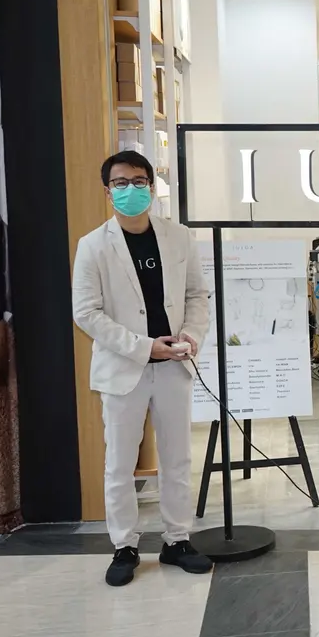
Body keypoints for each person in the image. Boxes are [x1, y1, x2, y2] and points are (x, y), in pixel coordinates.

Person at [72, 151, 213, 586]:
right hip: (123, 368)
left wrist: (190, 337)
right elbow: (86, 312)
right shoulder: (93, 245)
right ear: (107, 190)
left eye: (138, 180)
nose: (130, 189)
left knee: (177, 457)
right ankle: (124, 546)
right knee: (119, 462)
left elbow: (196, 296)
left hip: (174, 364)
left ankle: (177, 539)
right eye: (120, 182)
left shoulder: (178, 237)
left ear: (152, 186)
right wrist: (142, 347)